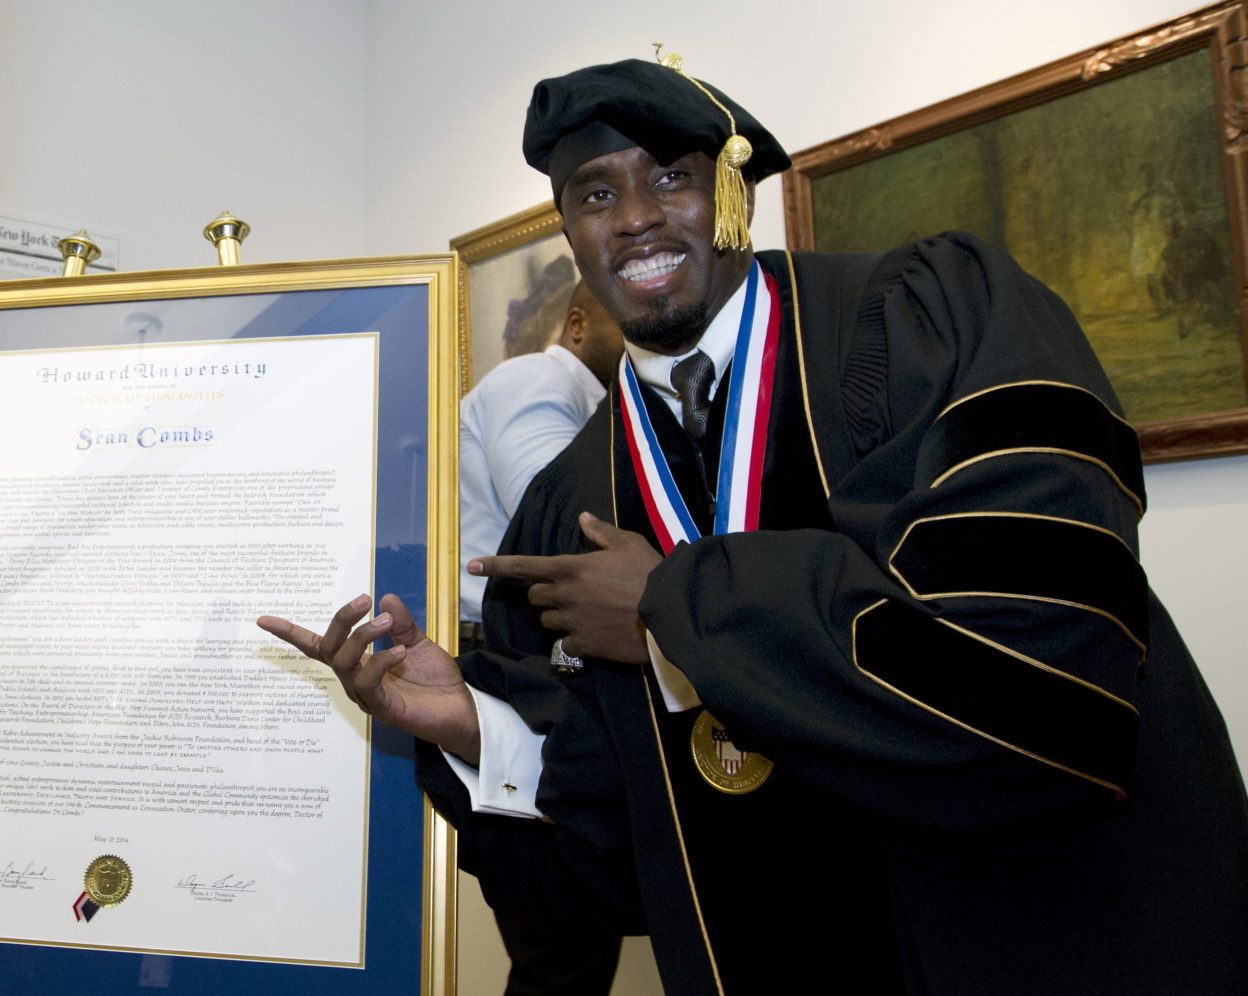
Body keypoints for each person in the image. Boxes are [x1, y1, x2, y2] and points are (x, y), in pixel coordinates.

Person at [261, 54, 1248, 994]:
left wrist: (674, 608)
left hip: (1060, 940)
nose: (639, 219)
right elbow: (613, 864)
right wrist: (480, 727)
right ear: (568, 229)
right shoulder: (569, 500)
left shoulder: (927, 327)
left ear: (732, 194)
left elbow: (1045, 682)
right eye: (596, 194)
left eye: (673, 177)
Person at [459, 279, 623, 650]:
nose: (637, 332)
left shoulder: (594, 402)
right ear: (578, 326)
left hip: (514, 636)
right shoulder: (538, 375)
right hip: (492, 642)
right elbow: (561, 523)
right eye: (622, 319)